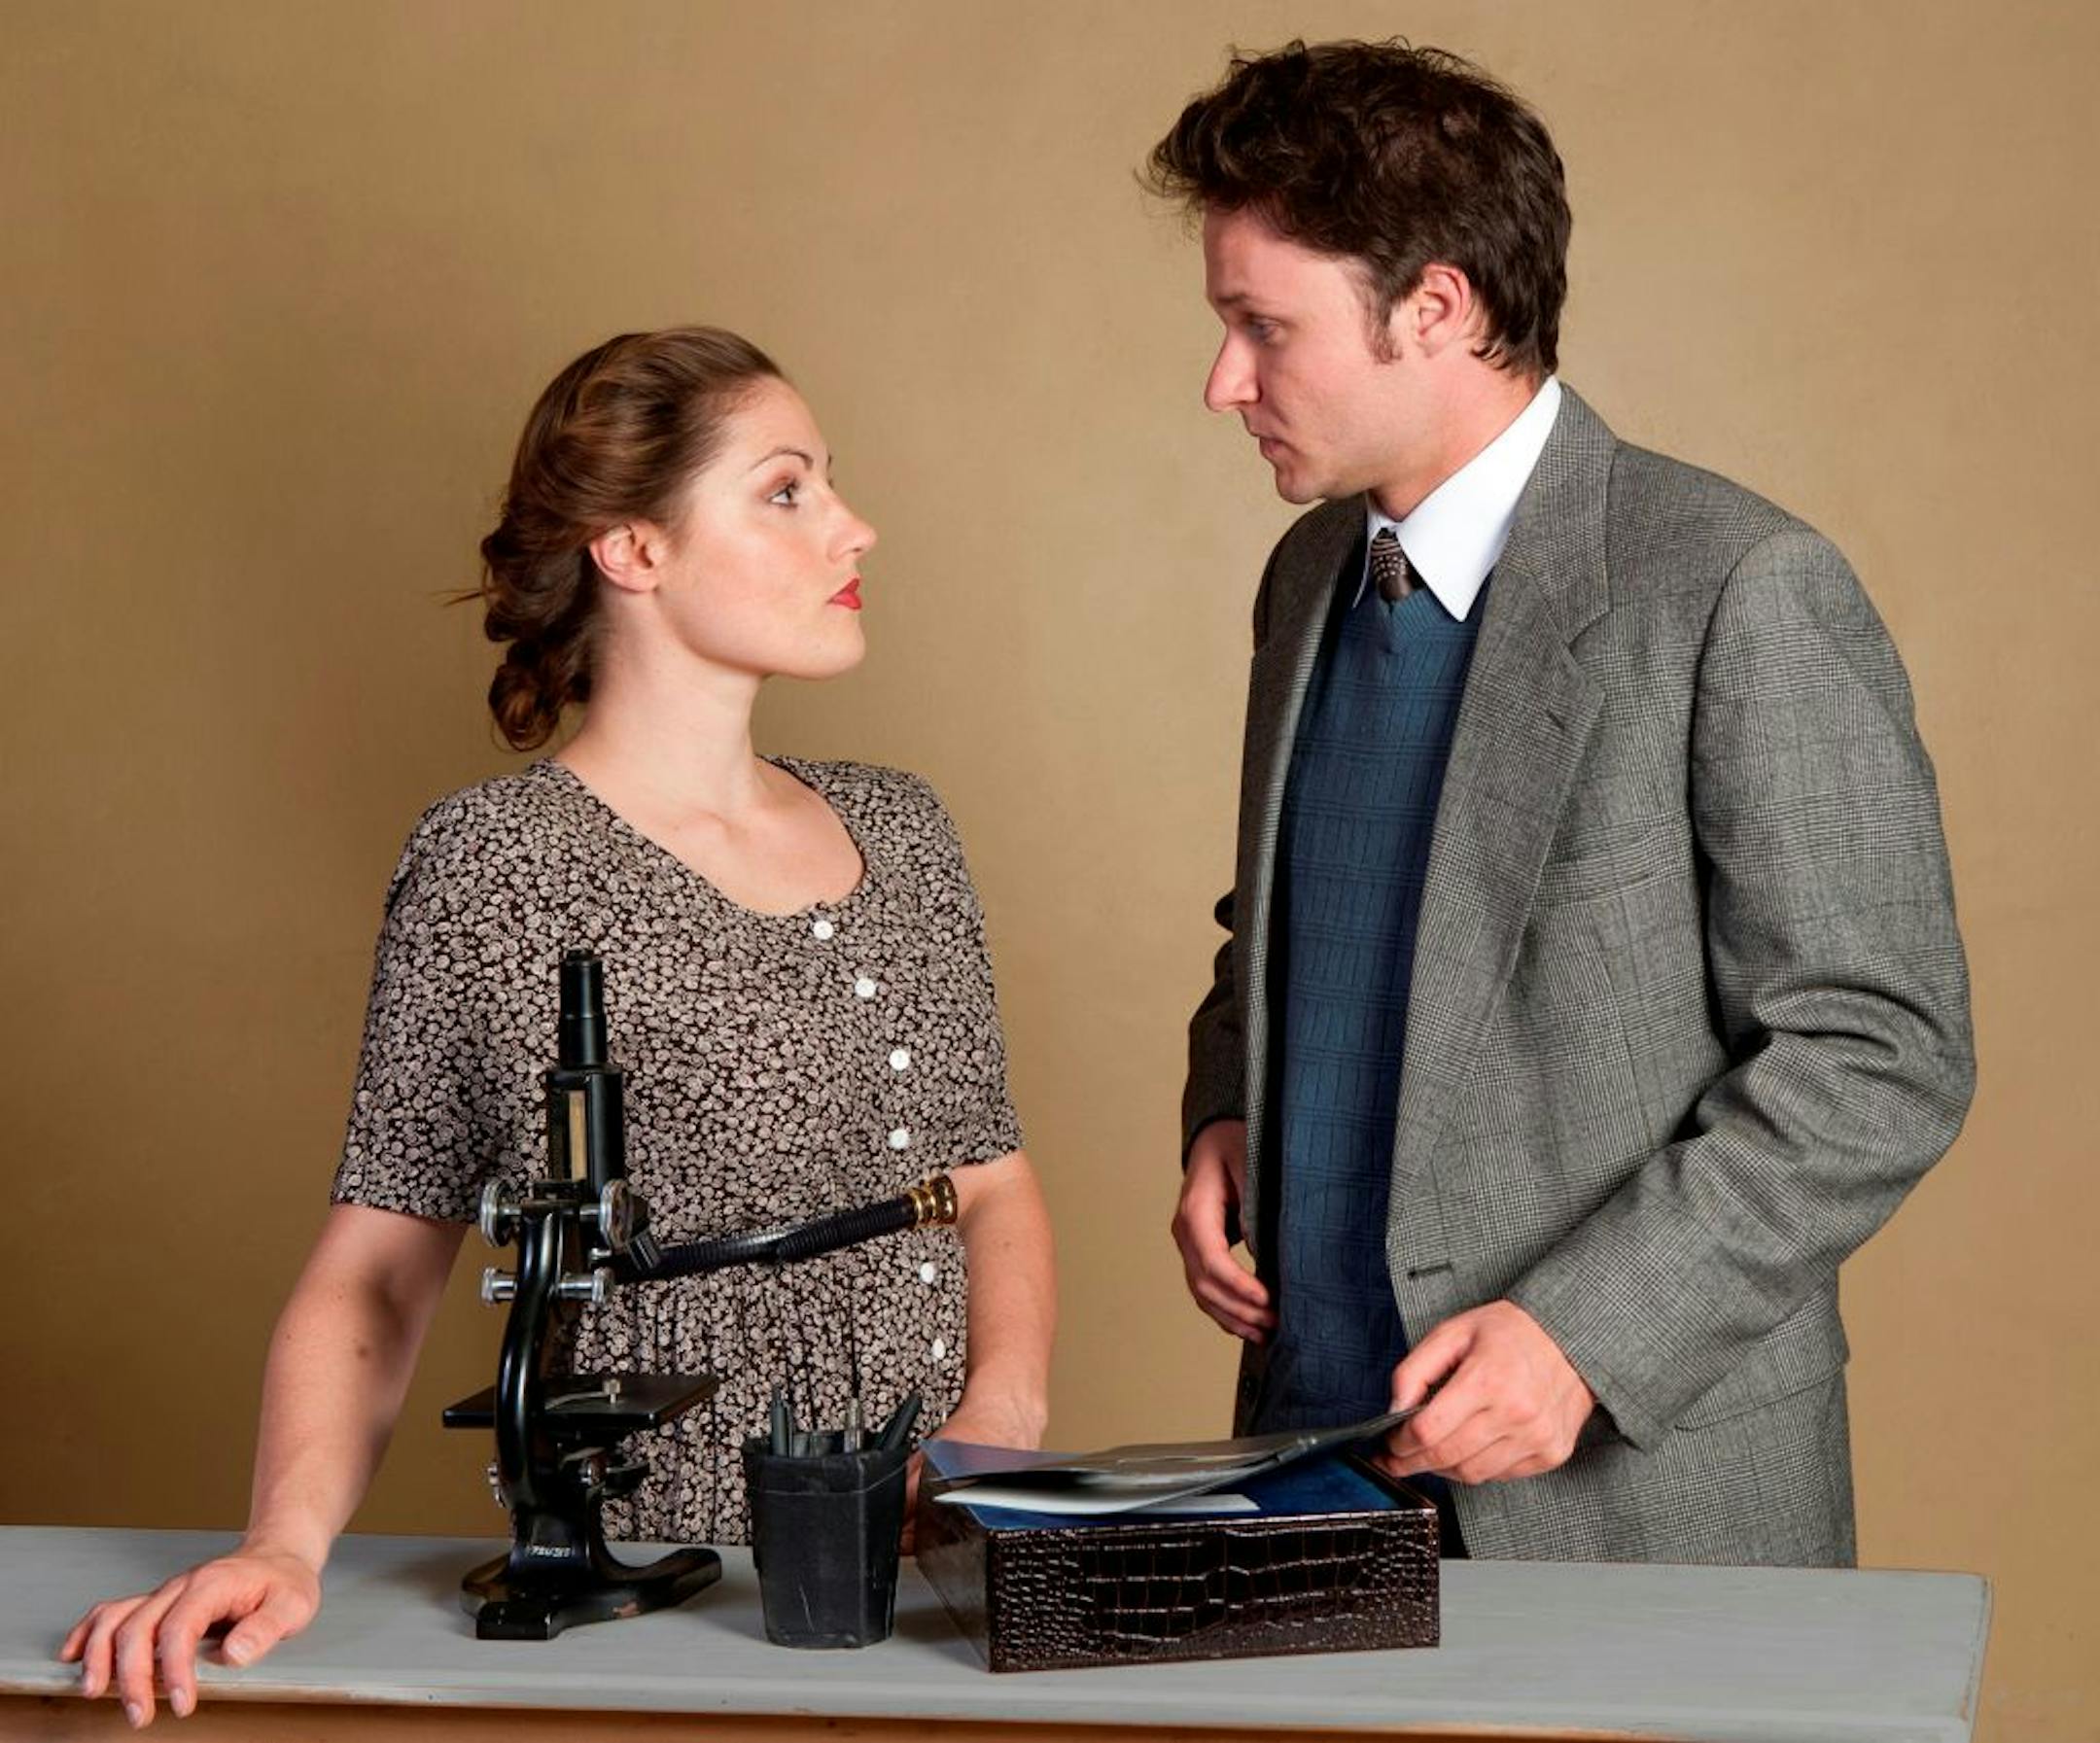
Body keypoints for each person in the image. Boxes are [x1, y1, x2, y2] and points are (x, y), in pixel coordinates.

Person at [61, 327, 1056, 1726]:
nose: (852, 524)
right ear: (632, 549)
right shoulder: (491, 864)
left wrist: (986, 1446)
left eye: (830, 483)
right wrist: (285, 1546)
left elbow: (992, 1183)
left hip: (933, 1564)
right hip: (669, 1581)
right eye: (786, 489)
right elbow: (382, 1264)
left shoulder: (903, 826)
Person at [1153, 41, 1973, 1565]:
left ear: (1438, 307)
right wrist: (1226, 1105)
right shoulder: (1309, 576)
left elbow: (1882, 1049)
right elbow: (1288, 921)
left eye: (1263, 326)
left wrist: (1587, 1337)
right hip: (1306, 1471)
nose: (1224, 382)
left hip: (1630, 1507)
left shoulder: (1735, 586)